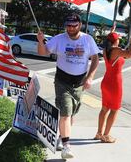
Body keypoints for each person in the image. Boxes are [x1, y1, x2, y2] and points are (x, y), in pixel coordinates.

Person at [37, 13, 100, 159]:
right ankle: (66, 146)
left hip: (79, 83)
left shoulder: (87, 39)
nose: (70, 28)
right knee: (65, 112)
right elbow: (43, 52)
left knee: (71, 114)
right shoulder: (59, 39)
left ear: (80, 25)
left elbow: (95, 58)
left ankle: (61, 137)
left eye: (74, 26)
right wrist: (40, 41)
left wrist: (90, 77)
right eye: (68, 25)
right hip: (62, 81)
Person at [94, 25, 131, 143]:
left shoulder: (106, 50)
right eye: (118, 38)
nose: (119, 39)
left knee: (104, 109)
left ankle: (99, 133)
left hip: (106, 82)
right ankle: (106, 135)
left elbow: (111, 41)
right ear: (115, 41)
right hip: (114, 84)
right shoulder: (116, 51)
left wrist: (112, 31)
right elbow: (130, 54)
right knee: (114, 110)